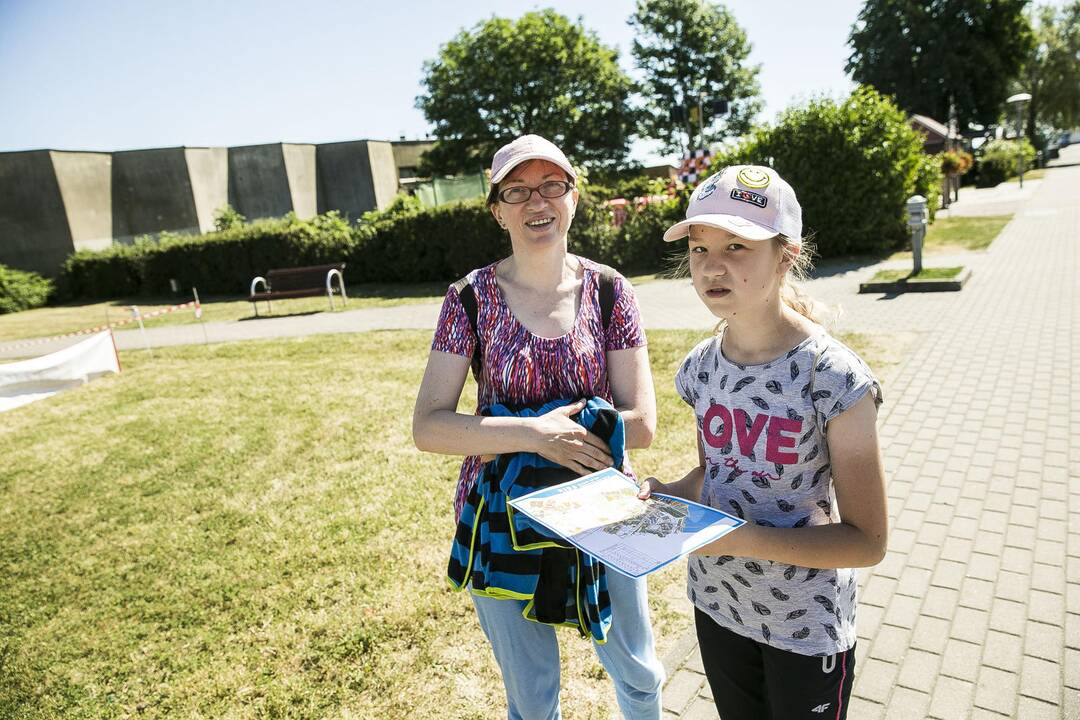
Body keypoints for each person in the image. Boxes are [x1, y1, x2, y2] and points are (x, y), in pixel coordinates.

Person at [412, 134, 665, 720]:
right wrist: (532, 434)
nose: (537, 202)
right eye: (517, 190)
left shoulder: (609, 291)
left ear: (574, 199)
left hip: (604, 506)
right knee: (531, 693)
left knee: (638, 671)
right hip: (501, 514)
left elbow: (644, 423)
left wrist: (559, 435)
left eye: (552, 185)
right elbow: (429, 426)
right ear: (498, 209)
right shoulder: (468, 299)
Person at [638, 165, 888, 719]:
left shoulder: (834, 378)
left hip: (805, 626)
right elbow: (716, 470)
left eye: (736, 245)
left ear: (787, 255)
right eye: (699, 248)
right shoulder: (700, 367)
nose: (712, 266)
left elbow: (867, 542)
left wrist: (739, 540)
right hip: (718, 604)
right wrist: (666, 494)